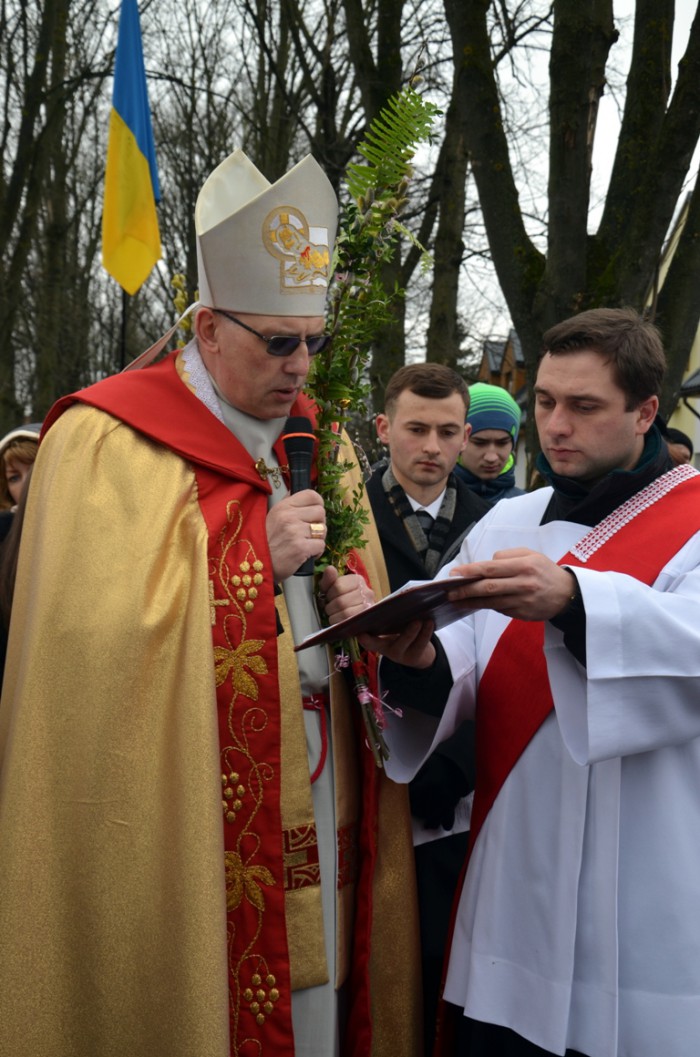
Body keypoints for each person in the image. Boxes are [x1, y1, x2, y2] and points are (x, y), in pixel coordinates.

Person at [0, 150, 421, 1057]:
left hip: (324, 797)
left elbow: (374, 644)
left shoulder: (330, 446)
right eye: (278, 342)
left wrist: (372, 621)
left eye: (315, 340)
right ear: (206, 326)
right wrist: (243, 565)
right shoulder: (103, 441)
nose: (302, 365)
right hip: (181, 820)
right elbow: (85, 655)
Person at [357, 307, 700, 1057]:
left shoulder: (694, 520)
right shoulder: (507, 523)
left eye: (583, 406)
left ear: (646, 412)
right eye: (545, 402)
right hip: (513, 876)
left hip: (644, 881)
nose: (555, 425)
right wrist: (415, 657)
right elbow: (463, 667)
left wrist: (577, 603)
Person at [366, 363, 490, 1056]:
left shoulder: (498, 522)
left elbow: (507, 658)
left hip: (461, 783)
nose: (432, 447)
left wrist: (457, 764)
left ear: (467, 435)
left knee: (446, 958)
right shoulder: (347, 519)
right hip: (372, 759)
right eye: (416, 428)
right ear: (384, 428)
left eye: (449, 431)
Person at [455, 382, 524, 502]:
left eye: (502, 443)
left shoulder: (528, 506)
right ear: (461, 440)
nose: (491, 458)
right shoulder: (431, 501)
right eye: (480, 443)